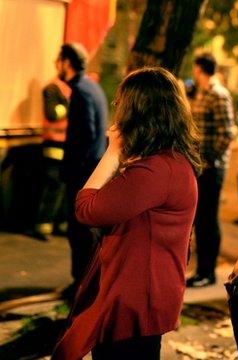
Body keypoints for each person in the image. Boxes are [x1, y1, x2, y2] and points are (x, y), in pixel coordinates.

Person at [52, 67, 202, 360]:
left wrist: (112, 153)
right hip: (139, 298)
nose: (116, 111)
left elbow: (86, 209)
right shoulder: (168, 163)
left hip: (133, 305)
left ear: (138, 111)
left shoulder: (155, 171)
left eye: (121, 104)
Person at [56, 43, 108, 300]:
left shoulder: (80, 92)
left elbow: (85, 135)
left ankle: (81, 285)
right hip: (91, 170)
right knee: (84, 231)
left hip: (82, 174)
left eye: (59, 60)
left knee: (78, 231)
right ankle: (83, 283)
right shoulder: (92, 87)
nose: (56, 65)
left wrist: (74, 169)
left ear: (67, 63)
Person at [187, 53, 235, 287]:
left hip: (212, 168)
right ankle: (202, 270)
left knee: (208, 219)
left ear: (199, 69)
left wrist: (210, 159)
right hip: (201, 166)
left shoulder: (218, 94)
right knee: (200, 218)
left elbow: (227, 133)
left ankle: (208, 272)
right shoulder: (203, 94)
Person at [26, 78, 70, 241]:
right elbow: (52, 113)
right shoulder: (53, 88)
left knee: (62, 186)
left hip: (66, 144)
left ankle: (56, 224)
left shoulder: (69, 90)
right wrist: (70, 106)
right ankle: (41, 226)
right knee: (52, 184)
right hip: (54, 143)